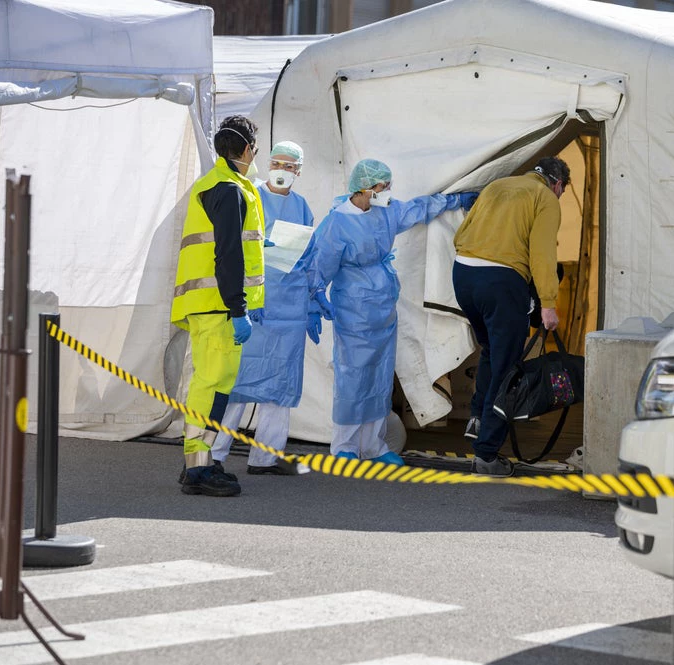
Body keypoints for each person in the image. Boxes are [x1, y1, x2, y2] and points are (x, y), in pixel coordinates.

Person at [310, 159, 476, 465]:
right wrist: (316, 295)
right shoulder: (338, 223)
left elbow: (417, 209)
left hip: (383, 308)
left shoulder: (386, 211)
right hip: (354, 309)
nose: (388, 191)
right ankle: (344, 445)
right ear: (364, 188)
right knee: (353, 376)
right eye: (382, 186)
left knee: (380, 378)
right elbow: (320, 263)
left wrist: (452, 201)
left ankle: (372, 445)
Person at [452, 156, 570, 477]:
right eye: (560, 193)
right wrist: (547, 303)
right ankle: (487, 454)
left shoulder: (497, 185)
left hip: (463, 275)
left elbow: (462, 232)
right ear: (557, 184)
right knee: (507, 369)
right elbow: (542, 253)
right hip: (501, 282)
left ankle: (477, 417)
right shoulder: (544, 198)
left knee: (492, 351)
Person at [171, 115, 265, 497]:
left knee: (212, 384)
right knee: (212, 387)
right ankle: (197, 468)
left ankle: (200, 459)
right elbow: (228, 255)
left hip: (209, 303)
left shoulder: (217, 185)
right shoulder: (229, 190)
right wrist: (238, 308)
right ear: (245, 150)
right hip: (219, 306)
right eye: (255, 150)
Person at [210, 140, 316, 476]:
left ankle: (266, 457)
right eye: (278, 163)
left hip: (288, 307)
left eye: (290, 166)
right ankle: (213, 455)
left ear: (299, 171)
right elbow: (229, 246)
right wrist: (242, 300)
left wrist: (313, 299)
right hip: (251, 303)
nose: (283, 171)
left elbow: (308, 256)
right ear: (267, 163)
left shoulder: (302, 207)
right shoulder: (248, 195)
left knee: (279, 386)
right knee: (237, 382)